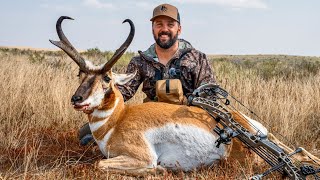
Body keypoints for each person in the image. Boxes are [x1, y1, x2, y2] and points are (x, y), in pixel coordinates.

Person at [79, 3, 216, 145]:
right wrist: (95, 99)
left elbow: (210, 96)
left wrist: (186, 102)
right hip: (151, 121)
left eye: (170, 24)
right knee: (86, 132)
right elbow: (123, 91)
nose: (164, 29)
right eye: (159, 24)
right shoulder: (140, 61)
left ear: (179, 29)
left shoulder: (197, 58)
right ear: (153, 29)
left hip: (187, 123)